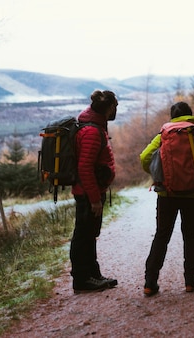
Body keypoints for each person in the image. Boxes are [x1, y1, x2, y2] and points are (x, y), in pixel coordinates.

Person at [139, 101, 194, 297]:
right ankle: (190, 282)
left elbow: (145, 157)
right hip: (192, 194)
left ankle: (150, 282)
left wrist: (158, 173)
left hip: (166, 194)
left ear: (172, 118)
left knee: (162, 236)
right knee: (190, 236)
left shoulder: (163, 136)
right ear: (190, 116)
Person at [70, 89, 118, 294]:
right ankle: (82, 280)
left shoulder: (95, 126)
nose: (116, 110)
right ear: (108, 108)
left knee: (89, 234)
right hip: (87, 194)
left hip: (90, 192)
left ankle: (93, 275)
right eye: (115, 106)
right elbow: (85, 168)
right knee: (83, 235)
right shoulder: (91, 131)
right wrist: (94, 199)